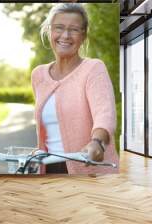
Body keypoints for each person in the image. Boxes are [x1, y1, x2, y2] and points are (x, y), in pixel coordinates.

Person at [31, 3, 119, 174]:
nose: (65, 35)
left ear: (83, 35)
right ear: (50, 31)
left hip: (90, 170)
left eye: (74, 30)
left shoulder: (93, 68)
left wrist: (97, 143)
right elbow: (49, 128)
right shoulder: (38, 75)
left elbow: (104, 115)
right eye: (59, 28)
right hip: (48, 169)